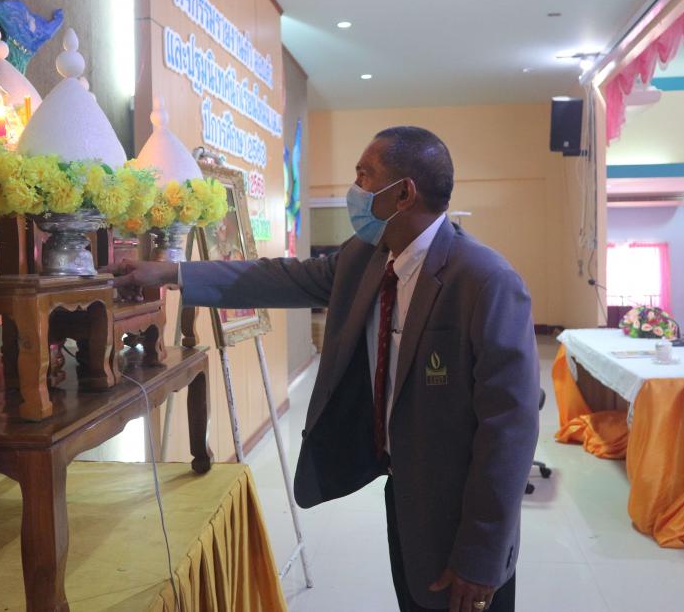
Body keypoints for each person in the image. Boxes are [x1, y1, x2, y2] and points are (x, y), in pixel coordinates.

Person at [112, 126, 540, 612]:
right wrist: (172, 274)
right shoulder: (367, 258)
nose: (354, 189)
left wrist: (482, 555)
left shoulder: (485, 281)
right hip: (404, 493)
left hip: (462, 511)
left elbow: (510, 429)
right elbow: (277, 278)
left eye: (364, 175)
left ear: (403, 194)